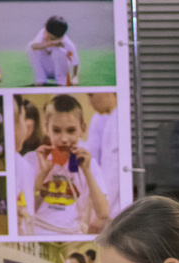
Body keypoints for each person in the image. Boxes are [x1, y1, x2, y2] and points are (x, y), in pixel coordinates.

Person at [14, 94, 109, 237]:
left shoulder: (90, 165)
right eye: (56, 130)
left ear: (82, 129)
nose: (64, 139)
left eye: (71, 130)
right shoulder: (31, 160)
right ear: (46, 128)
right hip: (38, 231)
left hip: (72, 234)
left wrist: (87, 172)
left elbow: (103, 214)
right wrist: (42, 174)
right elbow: (25, 210)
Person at [29, 15, 80, 86]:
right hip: (46, 68)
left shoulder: (67, 43)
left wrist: (75, 78)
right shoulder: (43, 32)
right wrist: (52, 43)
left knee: (58, 51)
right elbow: (33, 47)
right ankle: (40, 80)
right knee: (30, 46)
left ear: (60, 37)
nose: (47, 36)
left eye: (52, 38)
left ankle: (61, 82)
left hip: (60, 70)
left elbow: (75, 63)